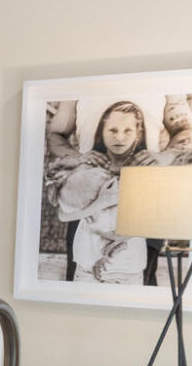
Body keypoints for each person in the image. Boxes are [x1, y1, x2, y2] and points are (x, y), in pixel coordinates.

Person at [47, 99, 158, 285]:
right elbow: (64, 215)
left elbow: (155, 218)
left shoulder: (146, 172)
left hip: (129, 267)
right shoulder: (86, 169)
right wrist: (101, 202)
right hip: (86, 263)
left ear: (138, 134)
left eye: (127, 130)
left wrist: (119, 237)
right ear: (102, 132)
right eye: (112, 130)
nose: (119, 138)